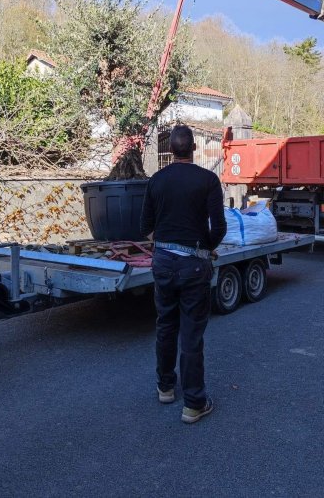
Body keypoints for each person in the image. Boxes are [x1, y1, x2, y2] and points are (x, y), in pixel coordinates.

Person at [140, 124, 227, 423]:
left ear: (171, 149)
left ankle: (165, 387)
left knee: (165, 324)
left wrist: (165, 246)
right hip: (194, 266)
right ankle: (193, 403)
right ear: (193, 148)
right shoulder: (208, 180)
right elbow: (219, 228)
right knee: (191, 333)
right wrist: (207, 247)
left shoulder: (156, 181)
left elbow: (145, 227)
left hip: (163, 263)